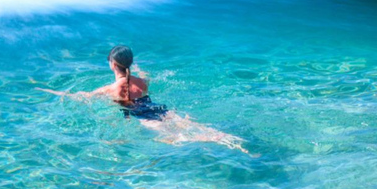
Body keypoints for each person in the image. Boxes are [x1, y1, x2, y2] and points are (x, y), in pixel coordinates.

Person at [37, 45, 248, 152]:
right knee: (189, 124)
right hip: (159, 109)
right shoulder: (141, 81)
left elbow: (81, 97)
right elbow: (145, 75)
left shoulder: (112, 88)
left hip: (143, 117)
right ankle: (227, 138)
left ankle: (217, 141)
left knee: (175, 138)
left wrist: (52, 92)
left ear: (112, 64)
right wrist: (136, 69)